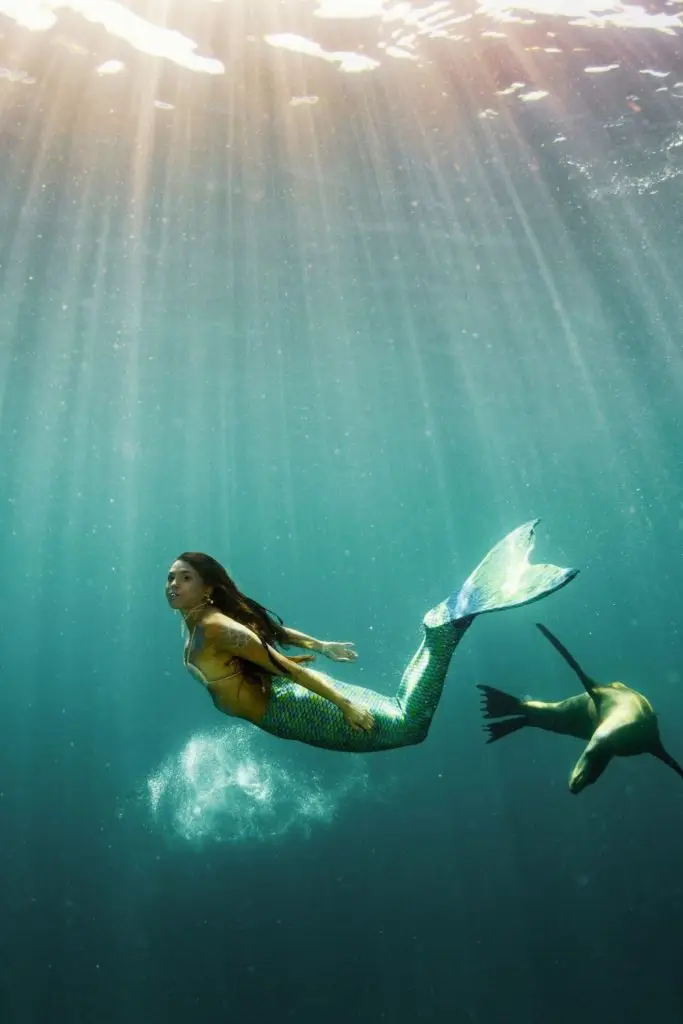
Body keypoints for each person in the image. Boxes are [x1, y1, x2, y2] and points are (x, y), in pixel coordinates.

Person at [166, 520, 578, 753]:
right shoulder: (209, 618)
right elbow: (273, 633)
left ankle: (444, 629)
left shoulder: (213, 626)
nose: (173, 584)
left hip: (290, 707)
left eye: (185, 578)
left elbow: (281, 665)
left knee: (408, 727)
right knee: (401, 711)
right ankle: (444, 628)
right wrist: (321, 646)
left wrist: (344, 705)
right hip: (288, 699)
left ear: (207, 588)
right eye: (170, 577)